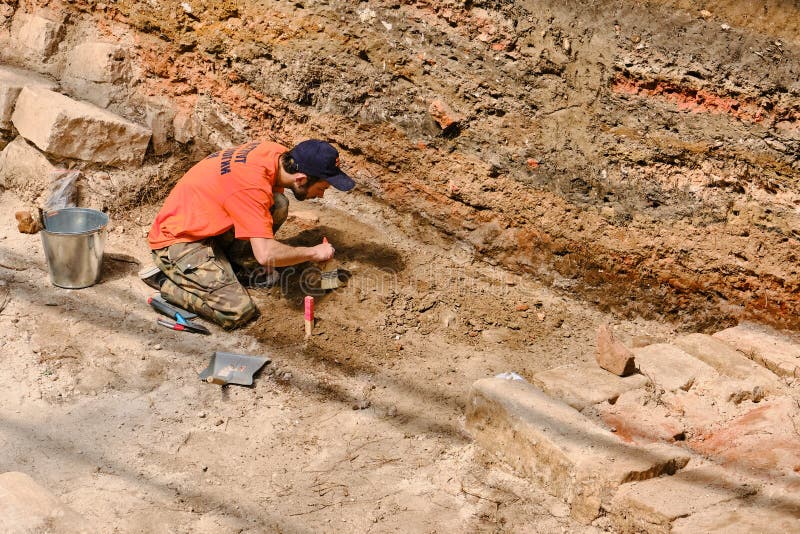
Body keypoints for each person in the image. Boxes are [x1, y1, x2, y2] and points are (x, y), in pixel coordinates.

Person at [139, 139, 355, 329]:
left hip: (206, 222)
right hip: (178, 241)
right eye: (323, 187)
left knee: (277, 203)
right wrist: (313, 253)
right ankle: (165, 281)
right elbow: (267, 255)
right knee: (238, 312)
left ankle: (238, 267)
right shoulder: (251, 188)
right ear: (300, 179)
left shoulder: (275, 154)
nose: (322, 195)